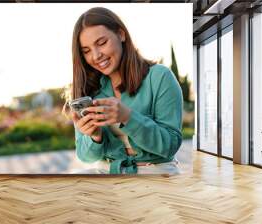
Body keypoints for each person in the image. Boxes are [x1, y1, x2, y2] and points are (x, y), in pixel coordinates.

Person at [69, 7, 183, 175]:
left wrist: (128, 117)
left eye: (101, 43)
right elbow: (85, 157)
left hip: (155, 172)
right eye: (86, 51)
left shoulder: (159, 77)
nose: (95, 56)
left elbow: (169, 146)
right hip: (106, 172)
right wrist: (95, 136)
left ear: (121, 34)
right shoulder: (89, 89)